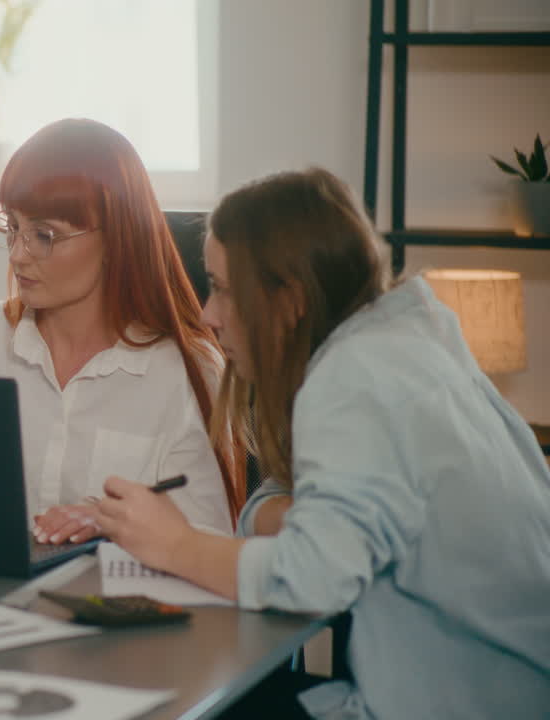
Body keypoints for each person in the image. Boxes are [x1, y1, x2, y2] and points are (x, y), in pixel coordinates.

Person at [91, 167, 550, 718]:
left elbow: (311, 580)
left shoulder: (354, 378)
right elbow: (291, 496)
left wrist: (177, 545)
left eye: (221, 287)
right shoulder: (405, 336)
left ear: (290, 297)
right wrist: (290, 518)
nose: (209, 315)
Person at [0, 118, 243, 543]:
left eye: (44, 235)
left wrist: (118, 523)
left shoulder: (185, 369)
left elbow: (212, 543)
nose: (19, 255)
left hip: (114, 604)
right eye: (13, 227)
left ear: (118, 238)